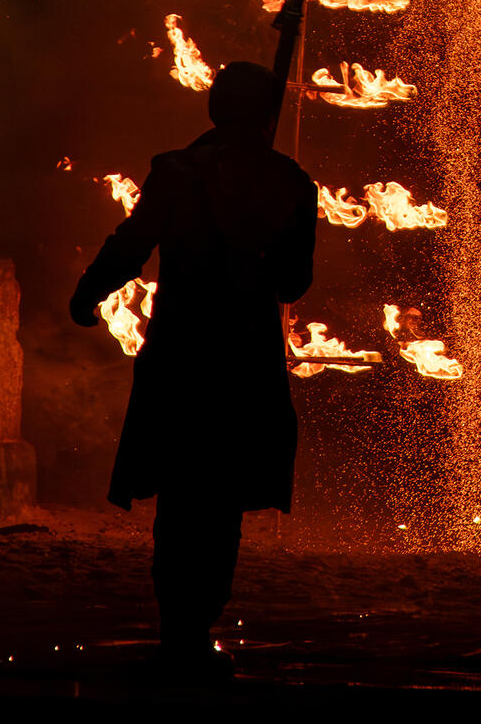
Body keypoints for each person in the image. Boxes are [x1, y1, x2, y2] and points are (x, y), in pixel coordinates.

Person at [69, 60, 315, 681]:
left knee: (181, 500)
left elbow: (131, 243)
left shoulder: (175, 172)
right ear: (264, 116)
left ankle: (179, 630)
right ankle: (194, 627)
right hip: (241, 360)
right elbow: (294, 281)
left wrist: (89, 291)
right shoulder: (290, 182)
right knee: (221, 501)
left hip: (181, 354)